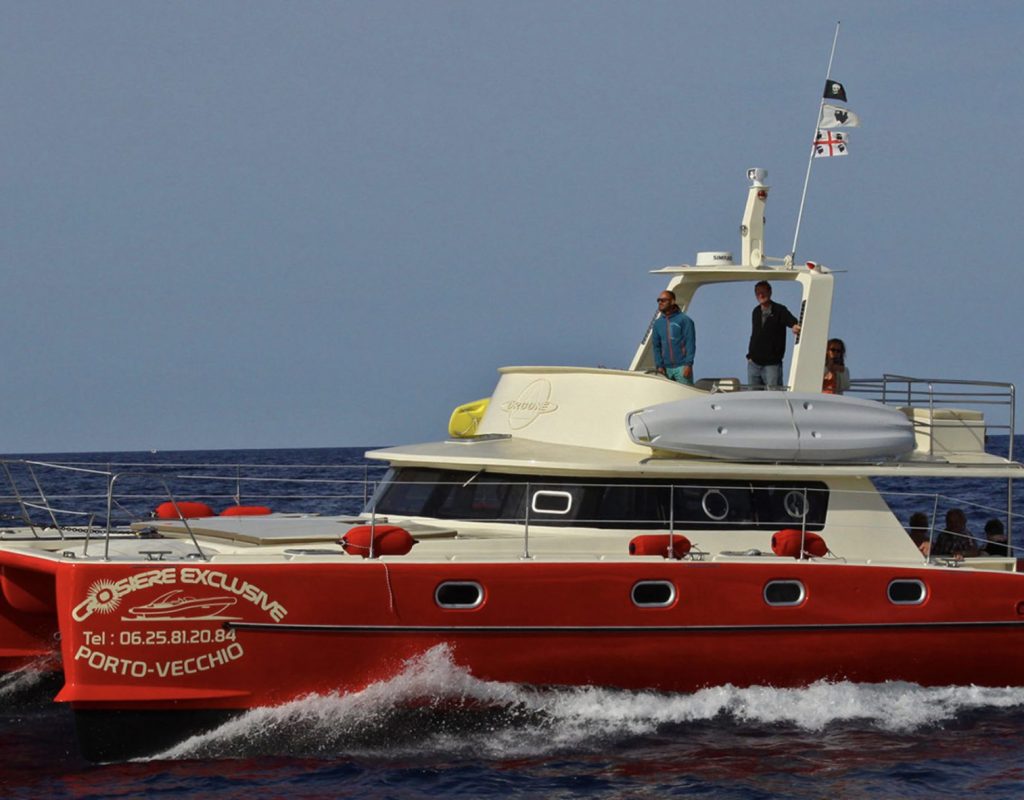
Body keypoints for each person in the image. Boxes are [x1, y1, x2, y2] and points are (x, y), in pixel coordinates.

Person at [746, 280, 800, 389]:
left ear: (770, 292)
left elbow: (791, 321)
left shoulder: (779, 310)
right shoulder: (756, 311)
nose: (761, 295)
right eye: (758, 293)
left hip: (772, 364)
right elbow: (755, 334)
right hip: (754, 363)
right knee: (753, 397)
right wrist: (750, 356)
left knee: (774, 395)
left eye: (763, 292)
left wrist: (794, 326)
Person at [651, 290, 696, 385]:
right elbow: (656, 346)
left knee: (686, 397)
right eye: (658, 300)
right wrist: (659, 366)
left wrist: (688, 364)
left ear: (672, 301)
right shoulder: (657, 324)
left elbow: (690, 343)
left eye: (663, 300)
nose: (660, 302)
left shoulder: (685, 320)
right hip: (665, 369)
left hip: (682, 367)